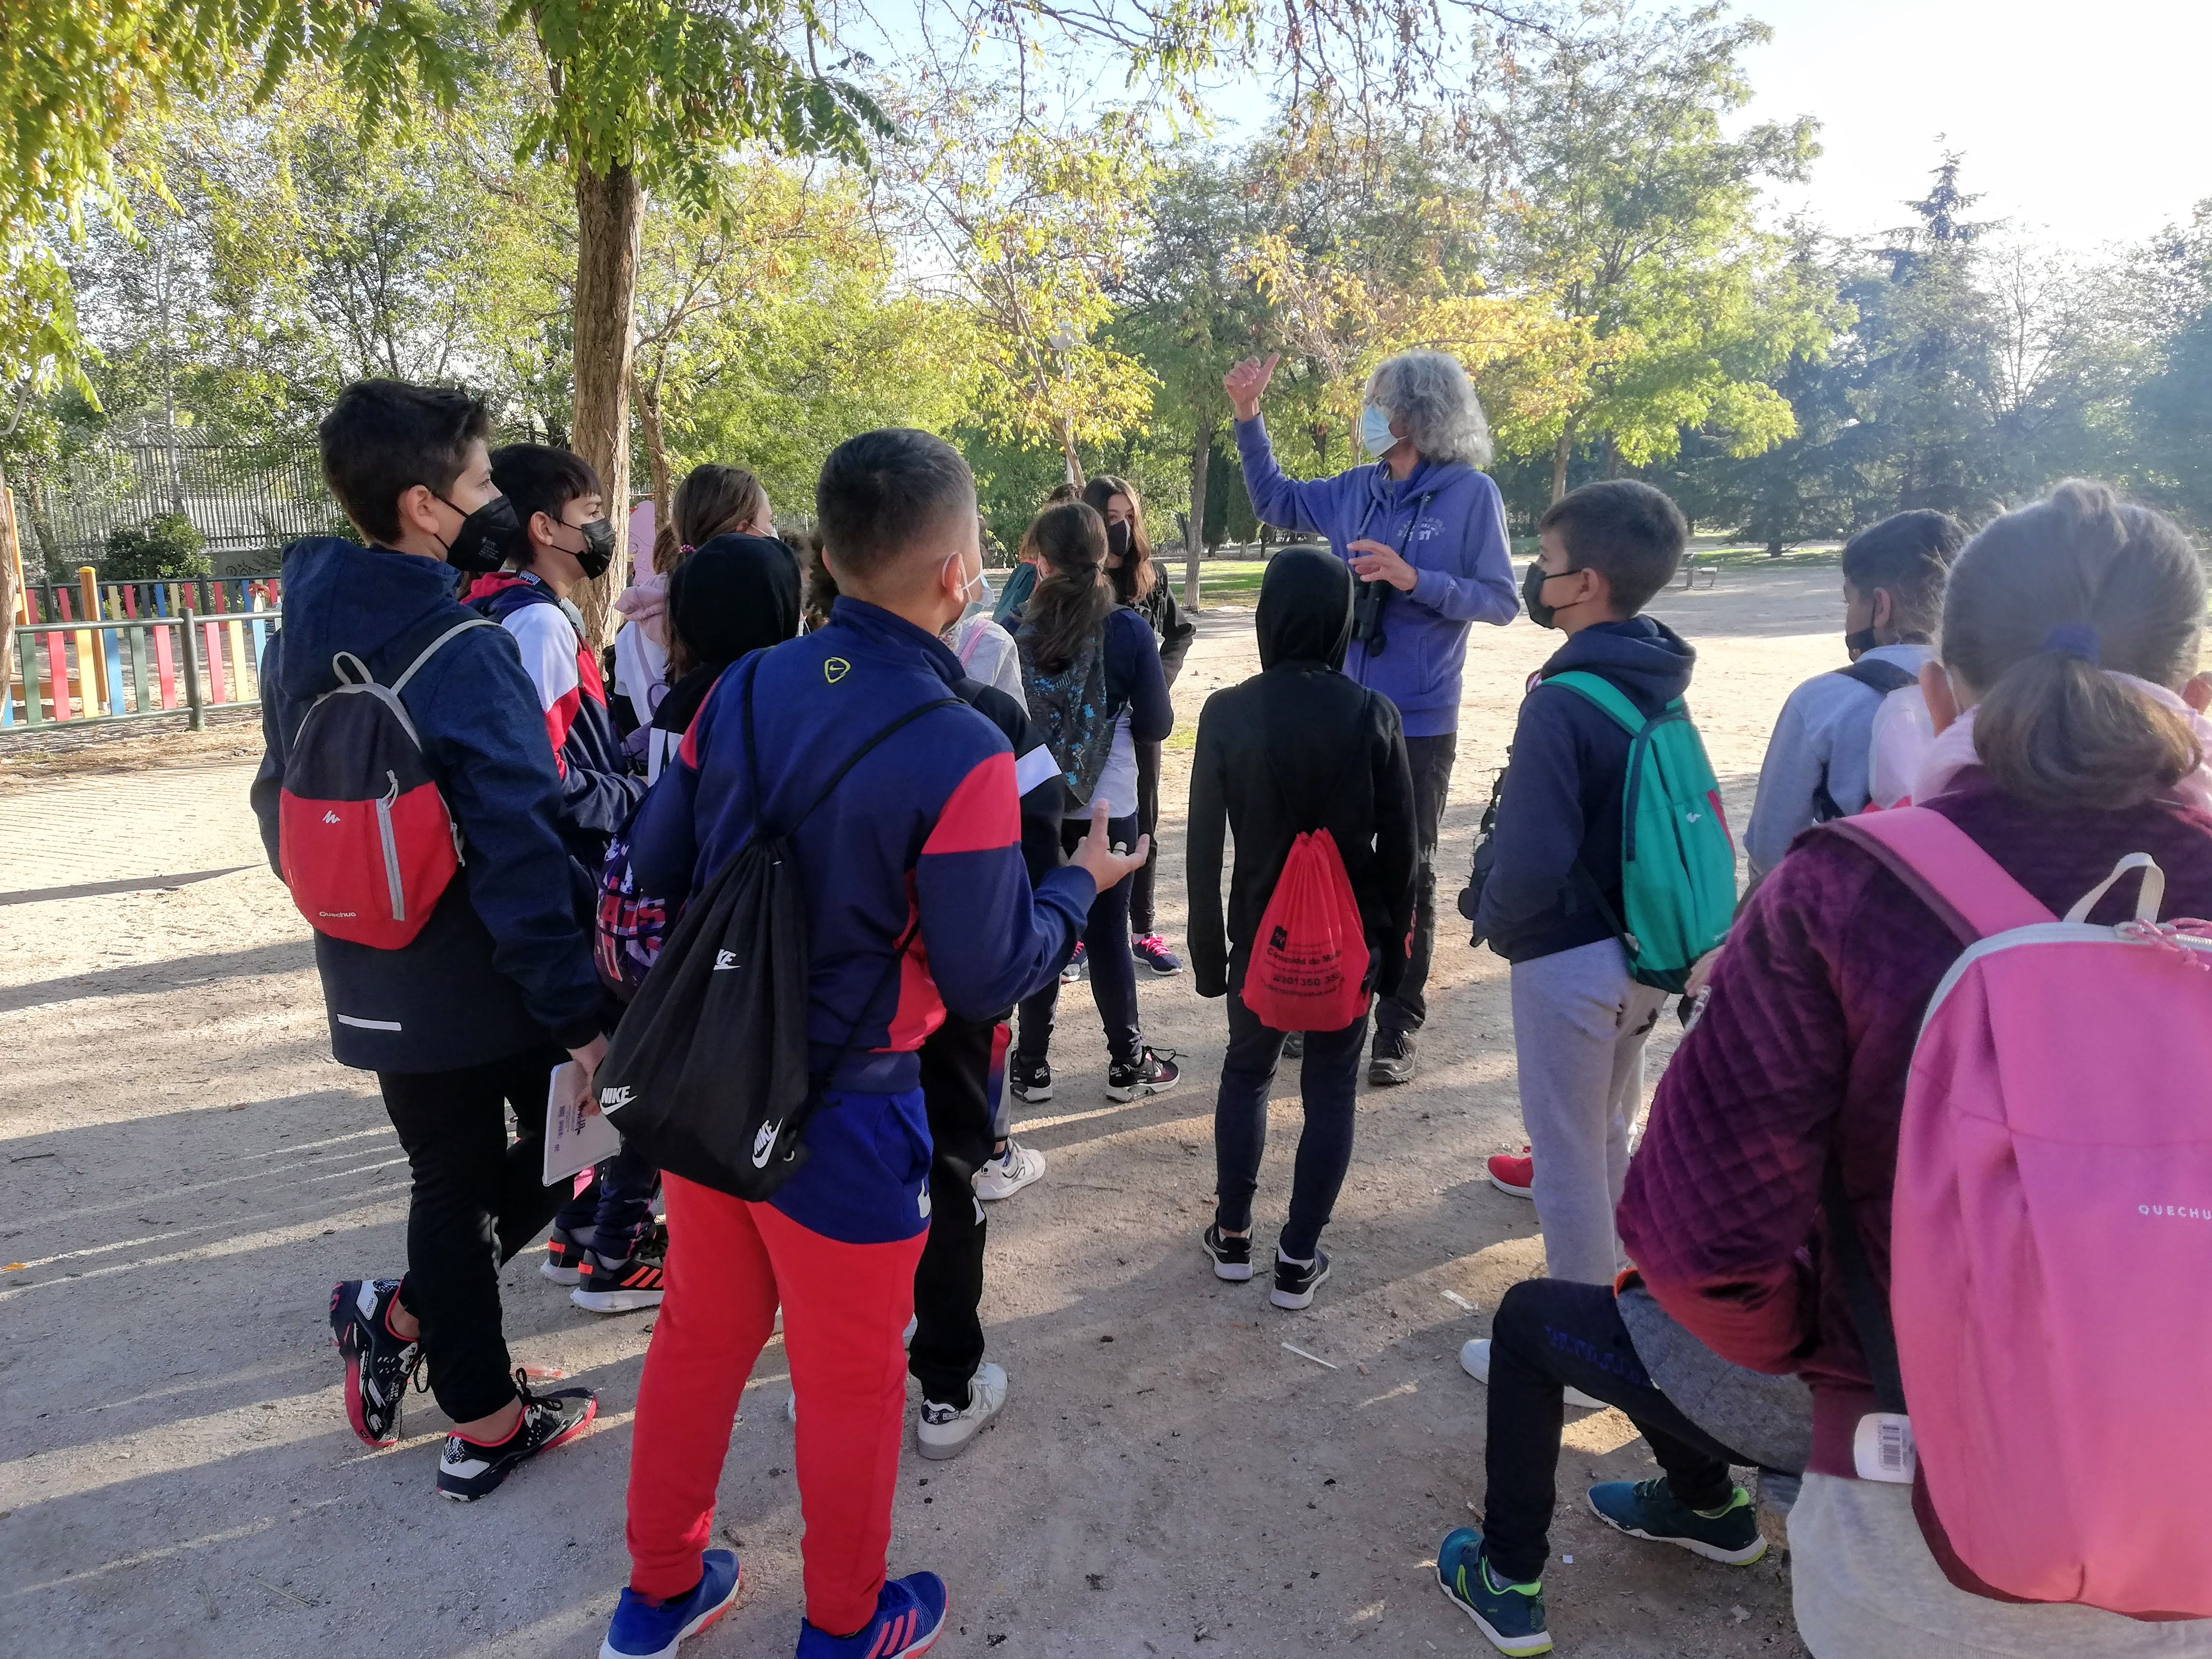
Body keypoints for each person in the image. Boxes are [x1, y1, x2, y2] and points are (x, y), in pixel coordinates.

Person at [1617, 481, 2212, 1658]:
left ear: (1936, 693)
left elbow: (1699, 1248)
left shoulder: (1842, 890)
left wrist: (1843, 1359)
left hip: (1915, 1506)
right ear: (2193, 697)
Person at [599, 429, 1145, 1659]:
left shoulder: (740, 688)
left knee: (698, 1339)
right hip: (850, 1112)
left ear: (829, 556)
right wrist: (1080, 884)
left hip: (716, 1076)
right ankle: (844, 1625)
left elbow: (659, 862)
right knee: (847, 1380)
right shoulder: (962, 747)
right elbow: (988, 974)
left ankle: (658, 1590)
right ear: (958, 572)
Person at [252, 379, 608, 1499]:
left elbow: (275, 802)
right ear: (422, 503)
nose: (493, 497)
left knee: (451, 1178)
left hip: (370, 960)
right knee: (581, 1133)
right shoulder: (462, 646)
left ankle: (415, 1327)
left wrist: (361, 910)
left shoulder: (296, 634)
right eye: (478, 481)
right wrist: (578, 1012)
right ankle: (479, 1410)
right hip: (485, 969)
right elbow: (520, 841)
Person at [1225, 349, 1517, 1084]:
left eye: (1380, 404)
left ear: (1417, 413)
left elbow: (1500, 600)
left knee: (1410, 868)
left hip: (1419, 717)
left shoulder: (1471, 495)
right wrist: (1248, 416)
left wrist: (1416, 579)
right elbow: (1274, 500)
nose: (1369, 417)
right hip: (1343, 712)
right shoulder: (1355, 488)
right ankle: (1324, 993)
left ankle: (1397, 1024)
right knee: (1331, 856)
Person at [1470, 481, 1691, 1286]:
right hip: (1645, 948)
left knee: (1564, 1158)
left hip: (1568, 959)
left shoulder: (1560, 702)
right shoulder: (1656, 678)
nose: (1536, 574)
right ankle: (1627, 1296)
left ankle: (1579, 1336)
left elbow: (1532, 858)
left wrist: (1495, 917)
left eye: (1547, 559)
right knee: (1604, 1134)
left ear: (1585, 582)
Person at [1186, 549, 1417, 1310]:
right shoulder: (1374, 714)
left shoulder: (1226, 712)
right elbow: (1404, 854)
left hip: (1259, 941)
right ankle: (1297, 1257)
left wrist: (1210, 958)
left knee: (1246, 1074)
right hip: (1350, 945)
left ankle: (1232, 1236)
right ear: (1343, 621)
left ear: (1268, 617)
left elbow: (1202, 850)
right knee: (1331, 1089)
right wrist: (1394, 960)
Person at [1438, 1272, 1814, 1655]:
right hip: (1832, 1411)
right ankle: (1706, 1503)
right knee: (1637, 1309)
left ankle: (1504, 1577)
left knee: (1528, 1318)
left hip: (1783, 1404)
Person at [1006, 501, 1180, 1106]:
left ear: (1041, 560)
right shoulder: (1127, 629)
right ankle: (1126, 1063)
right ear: (1105, 554)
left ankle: (1032, 1066)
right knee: (1109, 935)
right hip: (1109, 807)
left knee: (1044, 925)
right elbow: (1157, 724)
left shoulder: (1019, 629)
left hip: (1037, 806)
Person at [1744, 510, 1964, 876]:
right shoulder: (1998, 692)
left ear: (1881, 607)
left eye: (1850, 602)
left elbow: (1771, 850)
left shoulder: (1821, 701)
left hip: (1864, 898)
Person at [1085, 473, 1196, 977]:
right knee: (1087, 820)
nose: (1123, 528)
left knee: (1143, 821)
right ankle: (1080, 931)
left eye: (1129, 517)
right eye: (1112, 518)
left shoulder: (1153, 577)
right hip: (1086, 727)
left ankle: (1143, 929)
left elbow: (1180, 633)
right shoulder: (1078, 580)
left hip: (1141, 727)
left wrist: (1158, 683)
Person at [612, 464, 773, 734]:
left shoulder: (634, 627)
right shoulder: (760, 618)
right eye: (769, 521)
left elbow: (628, 721)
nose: (773, 533)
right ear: (743, 529)